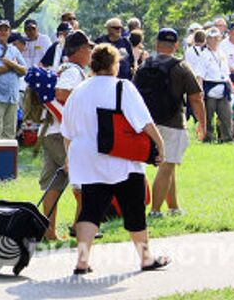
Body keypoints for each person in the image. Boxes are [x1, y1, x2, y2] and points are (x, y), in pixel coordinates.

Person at [61, 44, 168, 274]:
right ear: (113, 65)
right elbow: (144, 121)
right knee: (134, 207)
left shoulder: (78, 90)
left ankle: (82, 261)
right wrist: (159, 144)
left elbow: (67, 132)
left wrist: (70, 158)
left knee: (90, 210)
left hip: (87, 160)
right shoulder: (123, 86)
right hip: (121, 158)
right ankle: (146, 258)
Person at [142, 29, 206, 218]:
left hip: (148, 124)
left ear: (156, 44)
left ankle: (174, 207)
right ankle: (155, 211)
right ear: (176, 45)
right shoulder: (181, 67)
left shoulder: (145, 65)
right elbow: (196, 97)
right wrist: (202, 123)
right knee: (167, 166)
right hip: (173, 123)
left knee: (170, 165)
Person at [39, 31, 93, 240]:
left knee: (53, 183)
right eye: (88, 48)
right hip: (65, 134)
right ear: (79, 50)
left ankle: (49, 232)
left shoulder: (62, 67)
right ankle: (79, 227)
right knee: (84, 182)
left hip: (52, 132)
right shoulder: (73, 71)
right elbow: (62, 93)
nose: (90, 52)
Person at [199, 28, 234, 142]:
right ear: (207, 40)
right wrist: (200, 90)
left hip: (223, 86)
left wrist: (231, 86)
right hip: (210, 86)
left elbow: (226, 73)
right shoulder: (204, 55)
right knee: (208, 116)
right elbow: (200, 75)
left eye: (217, 38)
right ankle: (208, 137)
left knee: (226, 114)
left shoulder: (222, 53)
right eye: (212, 38)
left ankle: (227, 137)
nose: (214, 41)